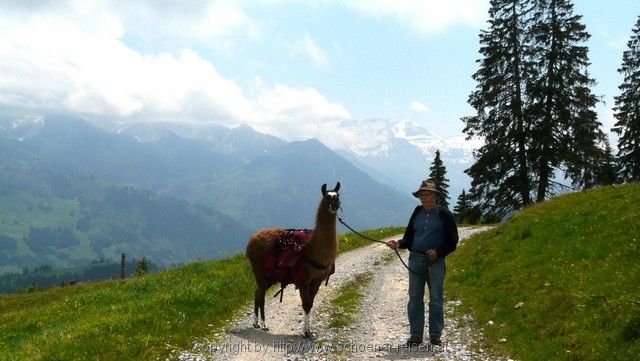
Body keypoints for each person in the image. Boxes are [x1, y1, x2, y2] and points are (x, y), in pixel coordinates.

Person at [386, 180, 459, 347]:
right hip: (416, 259)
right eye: (421, 195)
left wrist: (438, 252)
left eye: (427, 194)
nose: (423, 197)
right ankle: (416, 335)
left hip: (436, 261)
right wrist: (398, 243)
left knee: (436, 298)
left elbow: (453, 240)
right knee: (415, 297)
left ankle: (435, 335)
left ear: (435, 196)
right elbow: (409, 237)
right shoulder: (417, 212)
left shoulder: (444, 214)